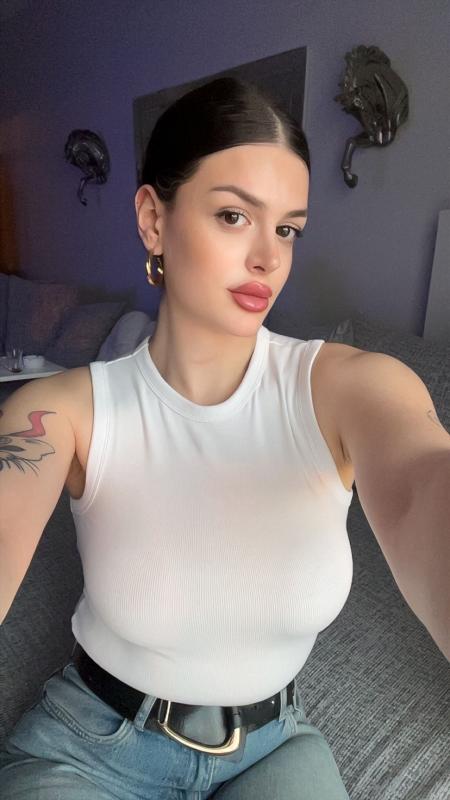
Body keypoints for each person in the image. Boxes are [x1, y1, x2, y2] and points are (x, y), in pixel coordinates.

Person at [4, 74, 442, 799]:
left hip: (273, 748)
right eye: (235, 216)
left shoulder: (350, 388)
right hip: (88, 752)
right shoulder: (62, 411)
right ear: (154, 219)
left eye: (287, 229)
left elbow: (426, 480)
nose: (269, 258)